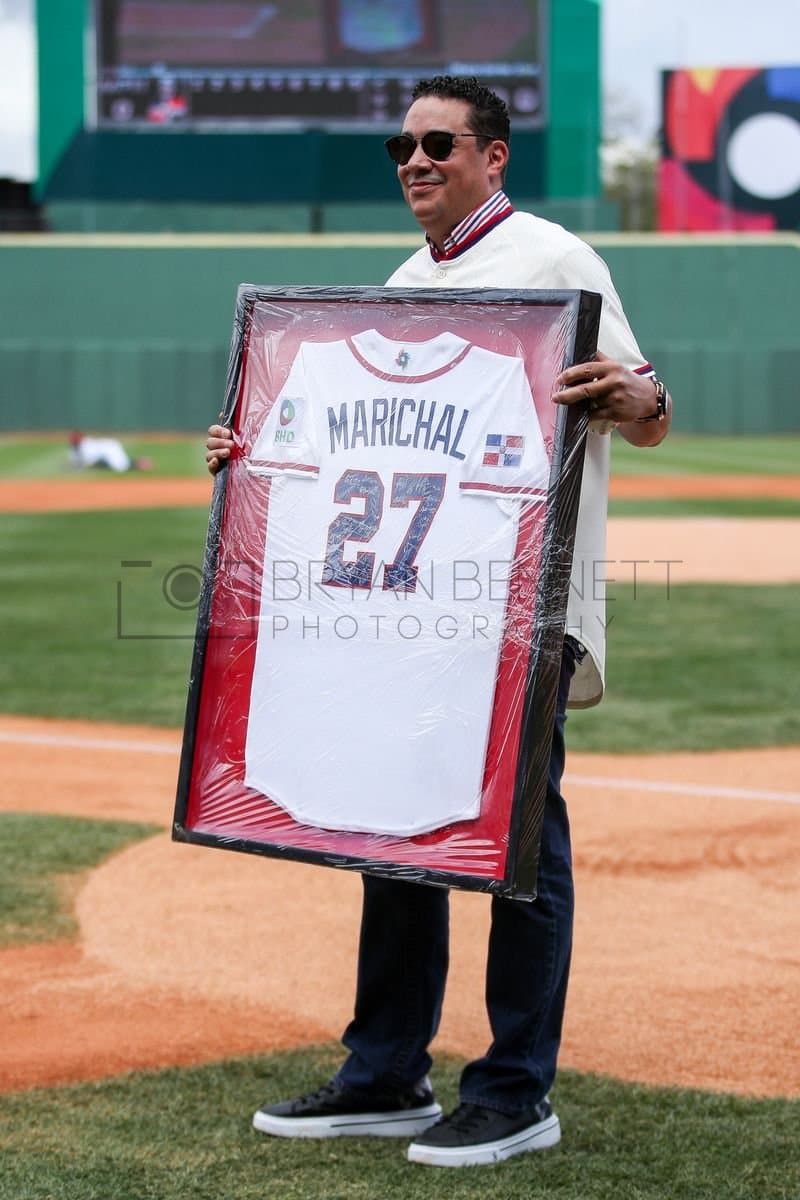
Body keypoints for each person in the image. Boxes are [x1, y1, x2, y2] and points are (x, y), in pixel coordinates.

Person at [206, 75, 671, 1169]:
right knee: (391, 822)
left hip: (520, 606)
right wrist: (256, 452)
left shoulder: (556, 260)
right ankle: (385, 1072)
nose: (413, 162)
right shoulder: (407, 277)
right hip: (414, 614)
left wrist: (630, 398)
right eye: (399, 148)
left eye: (436, 144)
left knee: (518, 839)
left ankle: (513, 1091)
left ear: (492, 156)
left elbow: (648, 411)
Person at [68, 431, 152, 472]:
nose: (73, 440)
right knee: (115, 465)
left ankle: (142, 463)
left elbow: (85, 462)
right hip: (106, 449)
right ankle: (140, 462)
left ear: (80, 437)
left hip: (111, 447)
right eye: (72, 438)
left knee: (120, 467)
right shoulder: (75, 447)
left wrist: (73, 466)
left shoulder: (86, 445)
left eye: (75, 438)